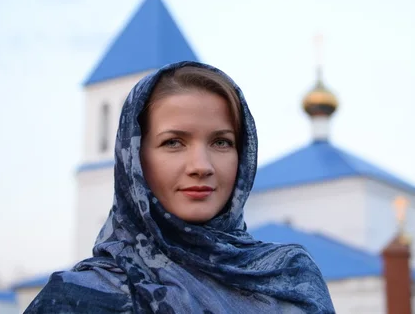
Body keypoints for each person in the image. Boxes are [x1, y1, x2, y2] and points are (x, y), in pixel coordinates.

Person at [24, 61, 336, 313]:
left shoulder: (289, 279)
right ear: (135, 158)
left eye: (221, 142)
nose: (201, 165)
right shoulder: (77, 300)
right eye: (173, 142)